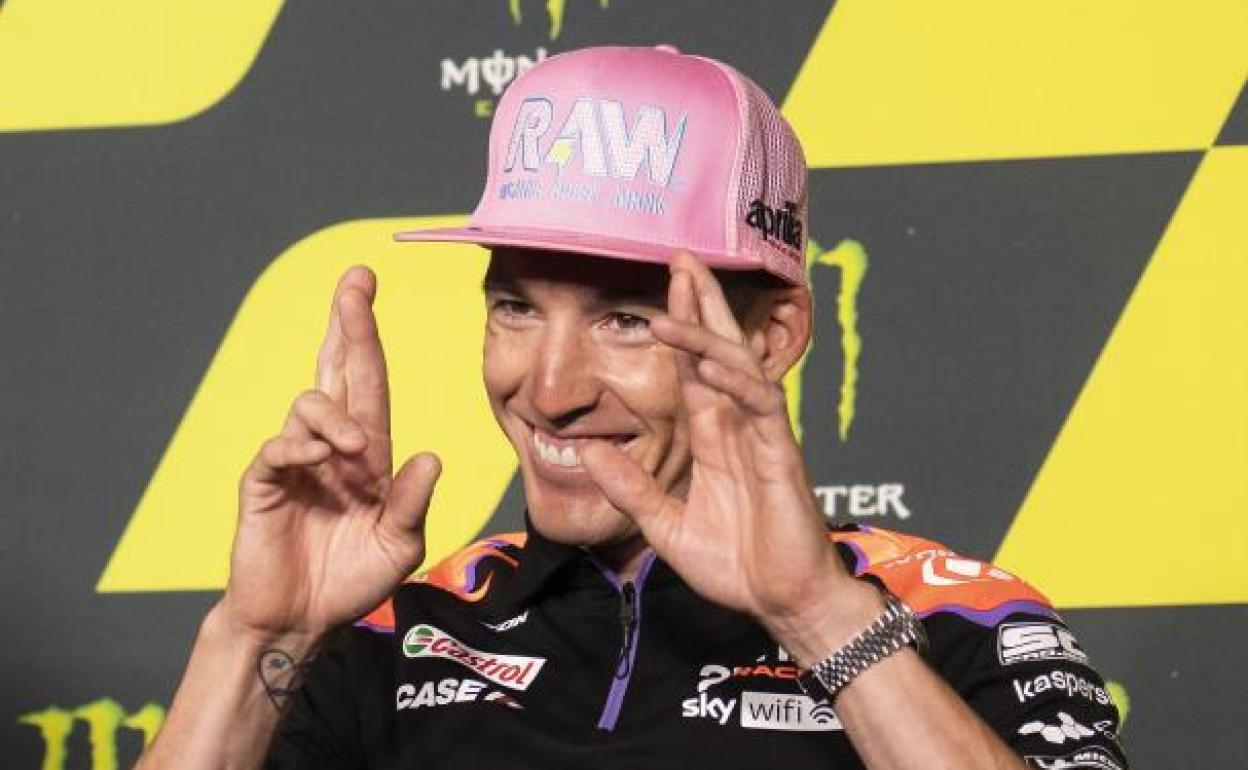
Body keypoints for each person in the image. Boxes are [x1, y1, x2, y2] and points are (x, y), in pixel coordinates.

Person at [136, 46, 1128, 770]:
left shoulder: (955, 619)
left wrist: (819, 616)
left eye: (625, 320)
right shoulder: (394, 638)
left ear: (773, 335)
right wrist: (258, 633)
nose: (551, 391)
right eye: (517, 307)